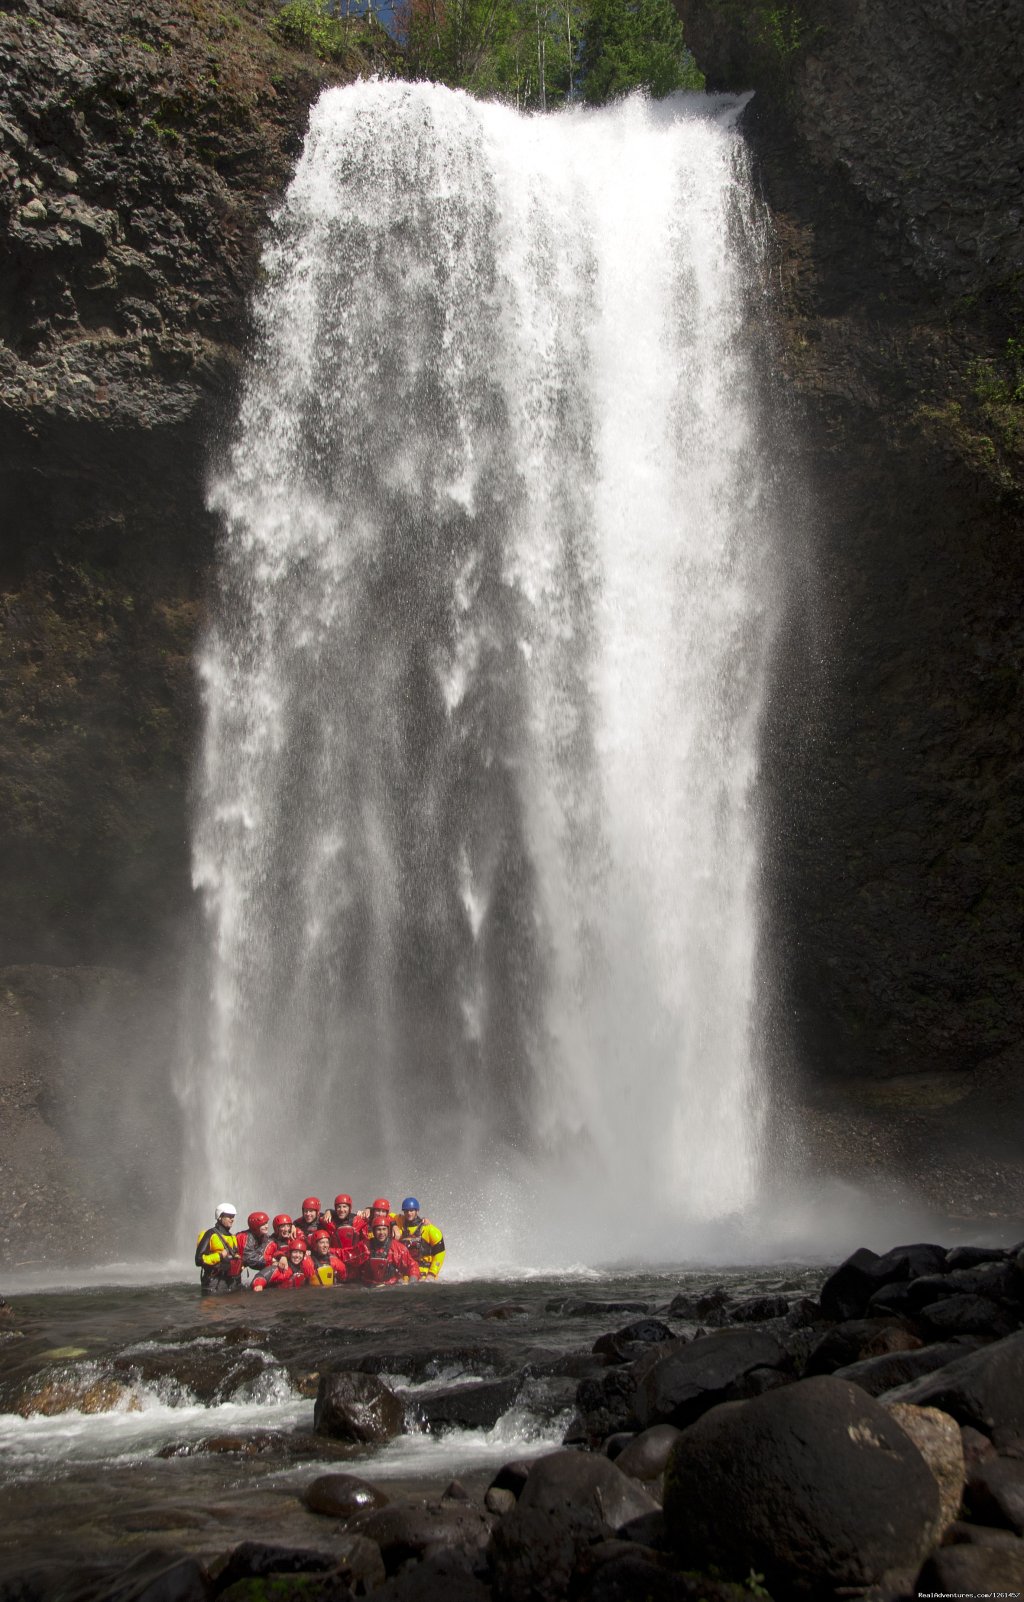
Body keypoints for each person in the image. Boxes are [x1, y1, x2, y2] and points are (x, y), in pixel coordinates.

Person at [357, 1214, 420, 1288]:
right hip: (368, 1286)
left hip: (391, 1286)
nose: (382, 1233)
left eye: (384, 1229)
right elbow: (349, 1259)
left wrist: (412, 1283)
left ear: (388, 1230)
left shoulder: (399, 1248)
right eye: (378, 1229)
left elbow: (412, 1266)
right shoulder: (364, 1246)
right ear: (373, 1231)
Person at [195, 1202, 242, 1295]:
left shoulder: (232, 1237)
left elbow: (235, 1255)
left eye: (233, 1216)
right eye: (229, 1216)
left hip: (232, 1281)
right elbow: (198, 1260)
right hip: (214, 1282)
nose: (232, 1219)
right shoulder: (210, 1234)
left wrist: (239, 1263)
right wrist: (220, 1255)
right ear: (220, 1217)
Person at [395, 1197, 446, 1279]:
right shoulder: (399, 1223)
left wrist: (432, 1273)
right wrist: (369, 1209)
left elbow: (440, 1254)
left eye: (411, 1210)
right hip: (406, 1271)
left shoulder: (429, 1229)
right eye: (406, 1211)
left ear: (417, 1211)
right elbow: (383, 1214)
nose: (409, 1213)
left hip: (424, 1271)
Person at [325, 1194, 370, 1265]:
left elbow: (378, 1217)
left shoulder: (358, 1220)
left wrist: (369, 1209)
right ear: (335, 1208)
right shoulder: (329, 1221)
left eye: (344, 1207)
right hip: (337, 1260)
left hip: (356, 1260)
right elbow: (314, 1217)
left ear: (350, 1208)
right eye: (339, 1207)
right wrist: (328, 1211)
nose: (342, 1210)